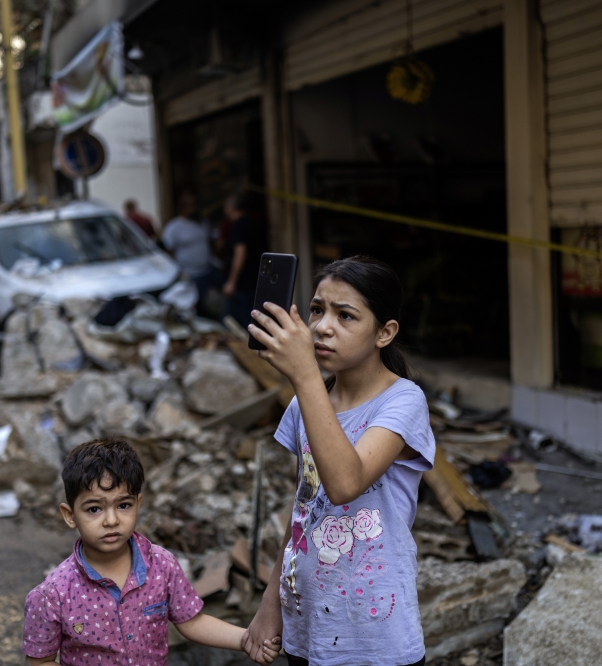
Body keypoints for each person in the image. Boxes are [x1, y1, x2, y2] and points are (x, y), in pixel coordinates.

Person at [243, 256, 436, 666]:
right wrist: (270, 603)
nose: (322, 327)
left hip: (375, 638)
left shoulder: (403, 401)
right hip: (307, 627)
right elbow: (304, 509)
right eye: (317, 310)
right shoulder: (307, 403)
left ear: (384, 333)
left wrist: (305, 375)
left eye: (345, 316)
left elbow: (345, 483)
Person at [23, 438, 281, 666]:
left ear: (138, 504)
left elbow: (191, 622)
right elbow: (40, 660)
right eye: (94, 509)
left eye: (123, 505)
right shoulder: (52, 594)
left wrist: (247, 639)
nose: (111, 520)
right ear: (69, 515)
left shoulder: (161, 565)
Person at [161, 189, 220, 314]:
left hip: (208, 269)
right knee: (197, 306)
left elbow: (209, 243)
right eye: (192, 205)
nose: (195, 208)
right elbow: (169, 252)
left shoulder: (203, 223)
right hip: (190, 274)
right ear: (183, 207)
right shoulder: (173, 227)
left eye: (196, 204)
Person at [221, 191, 265, 327]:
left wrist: (231, 282)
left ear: (231, 207)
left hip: (244, 282)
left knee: (242, 320)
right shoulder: (251, 222)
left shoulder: (238, 225)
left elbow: (240, 253)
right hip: (253, 279)